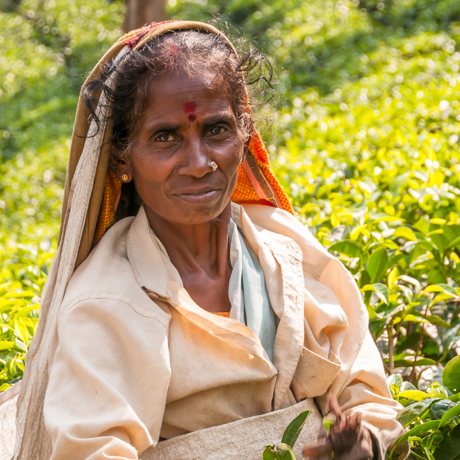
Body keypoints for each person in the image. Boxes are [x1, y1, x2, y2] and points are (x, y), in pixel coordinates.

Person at [11, 21, 407, 460]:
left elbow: (368, 399)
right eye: (165, 138)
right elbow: (93, 450)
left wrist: (364, 441)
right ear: (122, 158)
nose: (199, 163)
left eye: (216, 130)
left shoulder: (286, 249)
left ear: (244, 134)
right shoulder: (107, 302)